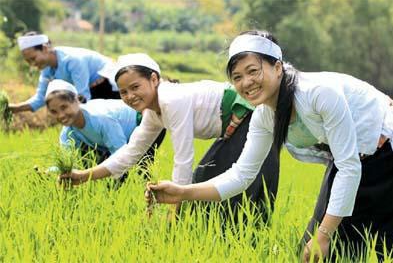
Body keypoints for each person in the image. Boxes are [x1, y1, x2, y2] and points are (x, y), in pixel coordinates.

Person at [145, 30, 393, 261]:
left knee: (369, 248)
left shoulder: (318, 94)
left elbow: (349, 168)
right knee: (313, 252)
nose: (246, 82)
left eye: (253, 71)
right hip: (352, 163)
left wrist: (324, 234)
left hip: (384, 152)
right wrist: (183, 192)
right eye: (237, 77)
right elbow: (242, 175)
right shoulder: (264, 116)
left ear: (277, 67)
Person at [59, 53, 279, 216]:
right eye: (124, 92)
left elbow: (183, 158)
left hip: (247, 116)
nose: (130, 96)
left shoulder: (171, 100)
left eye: (135, 87)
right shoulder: (153, 113)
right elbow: (130, 153)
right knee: (204, 181)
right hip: (233, 128)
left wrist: (174, 211)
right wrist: (83, 176)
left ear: (154, 79)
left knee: (211, 182)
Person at [45, 79, 165, 182]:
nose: (61, 115)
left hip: (145, 122)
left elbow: (121, 154)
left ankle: (149, 199)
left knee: (139, 169)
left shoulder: (100, 118)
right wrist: (48, 173)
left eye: (64, 107)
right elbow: (69, 163)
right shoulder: (67, 132)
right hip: (121, 141)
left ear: (76, 100)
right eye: (54, 112)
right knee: (97, 167)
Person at [9, 31, 120, 114]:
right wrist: (13, 108)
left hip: (107, 85)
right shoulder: (47, 70)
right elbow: (41, 98)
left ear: (44, 48)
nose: (32, 64)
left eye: (33, 59)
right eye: (28, 61)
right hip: (90, 91)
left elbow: (83, 97)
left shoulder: (72, 60)